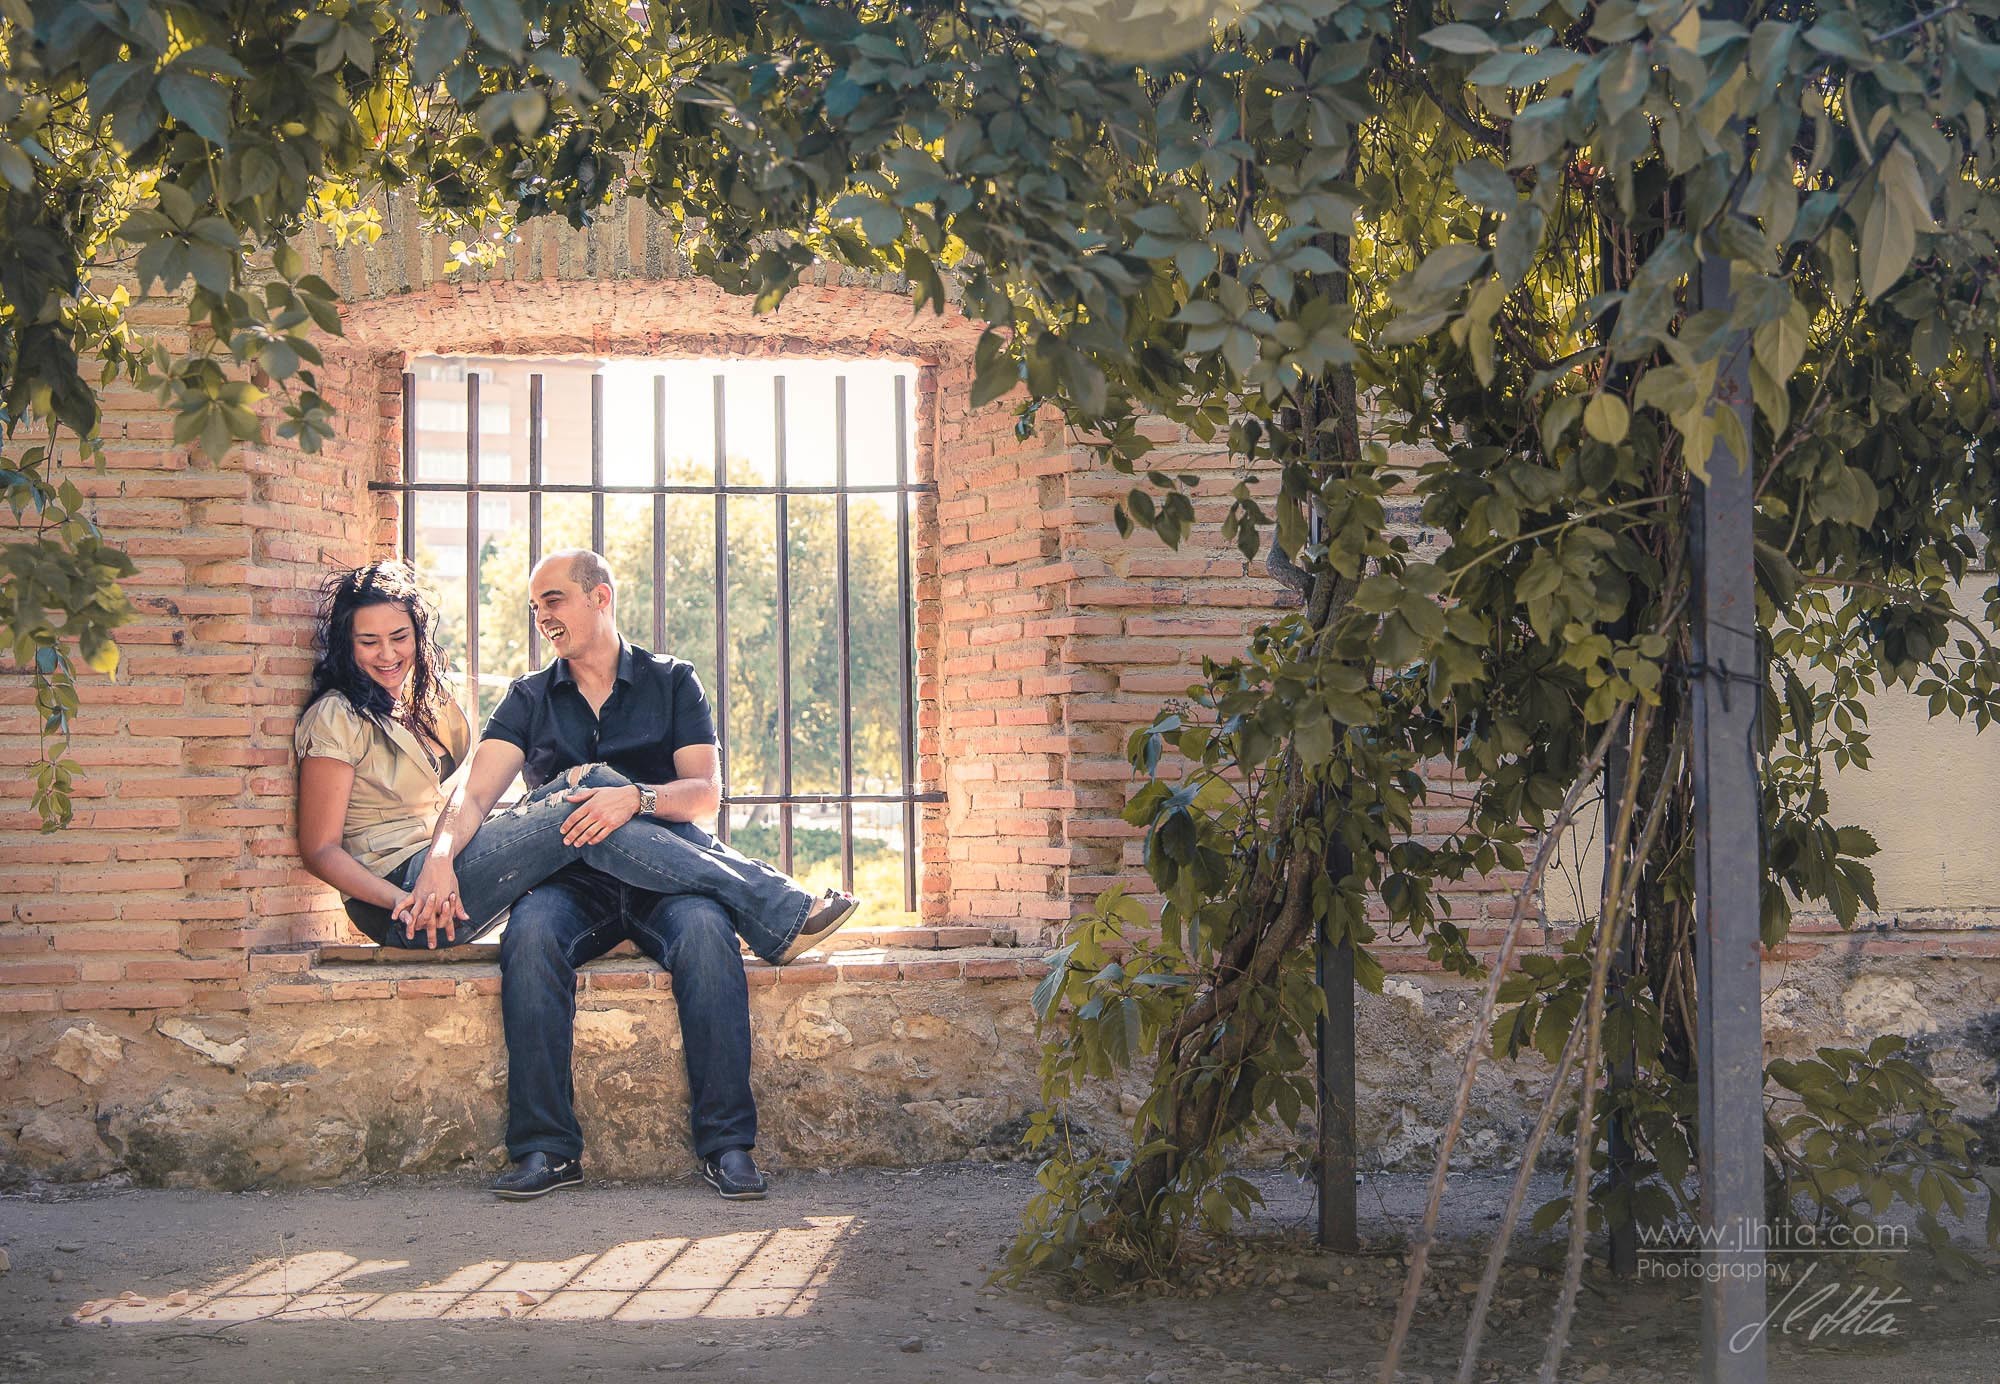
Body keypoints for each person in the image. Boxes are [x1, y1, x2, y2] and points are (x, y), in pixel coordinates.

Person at [401, 548, 836, 1204]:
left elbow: (703, 795)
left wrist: (636, 798)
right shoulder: (528, 698)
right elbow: (473, 798)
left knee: (706, 936)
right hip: (573, 886)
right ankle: (547, 1150)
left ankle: (728, 1146)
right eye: (535, 605)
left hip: (672, 874)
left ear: (600, 598)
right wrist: (438, 858)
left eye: (554, 599)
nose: (542, 615)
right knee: (532, 934)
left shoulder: (673, 681)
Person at [295, 559, 858, 984]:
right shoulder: (336, 717)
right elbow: (320, 849)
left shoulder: (420, 707)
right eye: (368, 641)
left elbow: (705, 793)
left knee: (597, 790)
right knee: (586, 789)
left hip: (440, 888)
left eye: (400, 638)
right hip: (405, 900)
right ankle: (777, 907)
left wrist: (633, 799)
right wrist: (413, 892)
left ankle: (774, 908)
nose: (387, 654)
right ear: (348, 645)